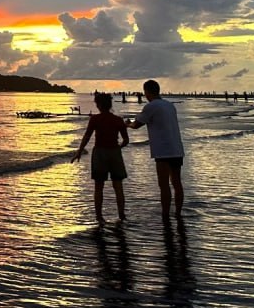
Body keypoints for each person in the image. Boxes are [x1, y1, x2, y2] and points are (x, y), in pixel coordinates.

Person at [127, 79, 185, 218]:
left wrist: (127, 124)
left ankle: (165, 214)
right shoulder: (169, 105)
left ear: (147, 92)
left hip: (163, 151)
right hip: (176, 148)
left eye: (145, 92)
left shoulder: (151, 106)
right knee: (177, 183)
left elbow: (137, 125)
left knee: (164, 185)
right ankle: (178, 213)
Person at [72, 92, 129, 223]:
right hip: (114, 152)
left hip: (99, 153)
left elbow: (87, 137)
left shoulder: (95, 119)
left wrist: (79, 151)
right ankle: (121, 215)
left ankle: (99, 217)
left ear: (99, 105)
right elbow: (126, 140)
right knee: (118, 186)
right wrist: (118, 148)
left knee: (99, 186)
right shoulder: (118, 120)